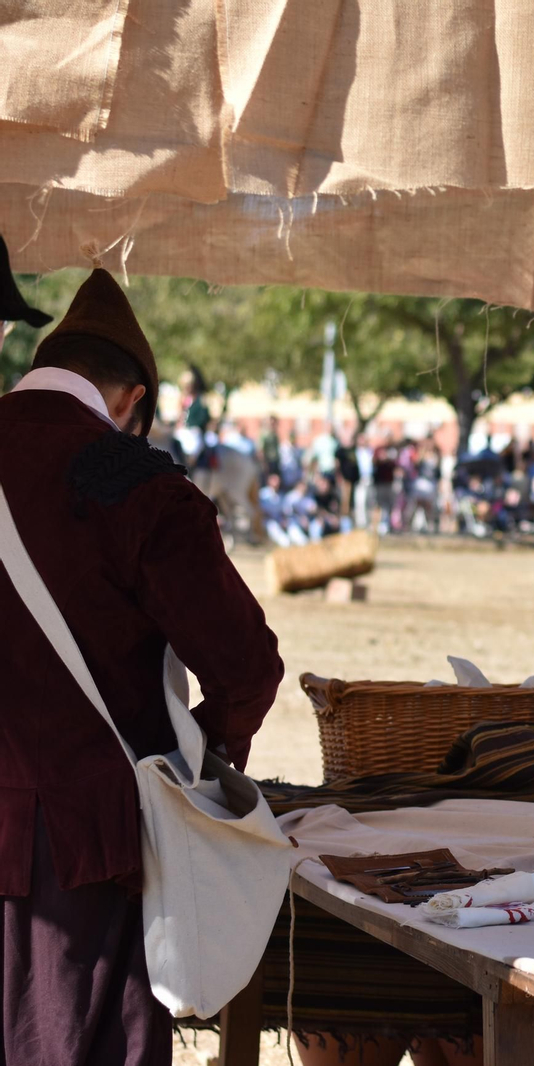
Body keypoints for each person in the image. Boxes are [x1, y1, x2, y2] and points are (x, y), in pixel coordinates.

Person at [0, 267, 283, 1066]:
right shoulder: (138, 484)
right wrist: (200, 756)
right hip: (86, 848)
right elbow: (247, 665)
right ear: (131, 401)